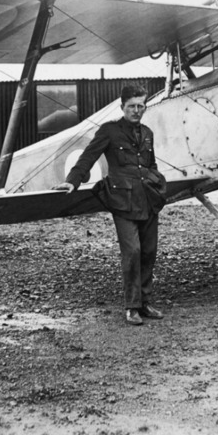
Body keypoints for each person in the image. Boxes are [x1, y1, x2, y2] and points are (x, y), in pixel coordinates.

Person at [53, 85, 168, 325]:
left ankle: (145, 303)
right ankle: (132, 307)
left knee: (149, 251)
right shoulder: (109, 131)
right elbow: (88, 156)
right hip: (122, 200)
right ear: (122, 106)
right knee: (133, 252)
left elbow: (150, 164)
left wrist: (158, 186)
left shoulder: (147, 133)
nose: (136, 111)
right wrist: (72, 181)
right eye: (131, 106)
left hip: (147, 199)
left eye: (141, 106)